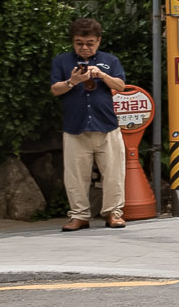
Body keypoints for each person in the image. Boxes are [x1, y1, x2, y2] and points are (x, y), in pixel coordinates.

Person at [50, 17, 130, 231]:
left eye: (90, 43)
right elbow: (55, 90)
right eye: (79, 43)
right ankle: (79, 216)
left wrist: (102, 75)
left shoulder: (110, 61)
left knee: (113, 172)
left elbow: (121, 86)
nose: (84, 48)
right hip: (75, 127)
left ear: (98, 41)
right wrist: (72, 81)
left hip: (107, 126)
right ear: (73, 42)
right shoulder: (62, 61)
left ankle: (113, 213)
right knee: (75, 175)